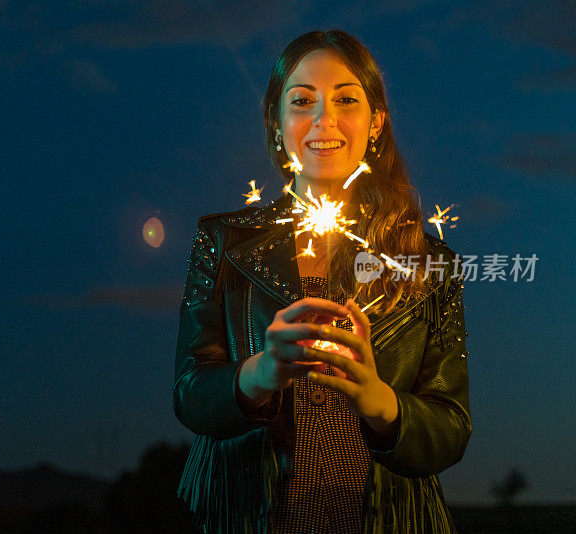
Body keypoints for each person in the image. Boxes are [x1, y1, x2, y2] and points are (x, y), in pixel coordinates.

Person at [174, 30, 471, 534]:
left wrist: (380, 400)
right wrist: (260, 373)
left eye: (346, 99)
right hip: (253, 514)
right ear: (277, 124)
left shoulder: (427, 263)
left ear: (376, 121)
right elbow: (189, 393)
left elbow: (451, 429)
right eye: (302, 100)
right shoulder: (222, 243)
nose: (322, 119)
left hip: (386, 518)